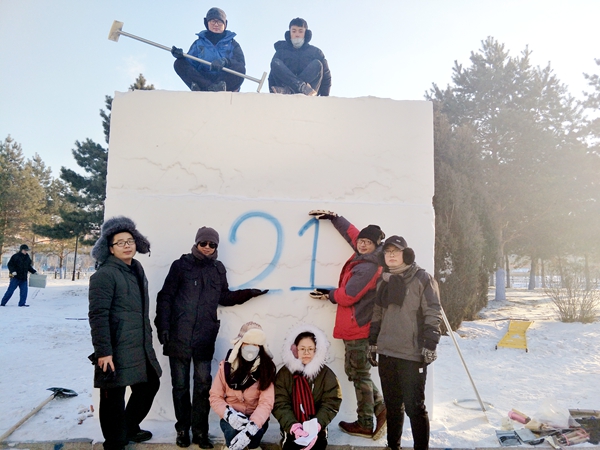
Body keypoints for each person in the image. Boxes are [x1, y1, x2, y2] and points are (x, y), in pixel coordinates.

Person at [155, 227, 268, 449]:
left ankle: (200, 432)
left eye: (212, 244)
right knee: (180, 387)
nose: (207, 247)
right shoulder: (180, 266)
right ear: (196, 243)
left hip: (204, 338)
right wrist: (163, 327)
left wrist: (248, 293)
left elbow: (223, 297)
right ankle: (182, 429)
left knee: (203, 386)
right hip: (178, 336)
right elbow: (165, 297)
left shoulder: (218, 269)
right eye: (203, 243)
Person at [308, 210, 386, 439]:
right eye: (361, 241)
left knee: (359, 374)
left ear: (376, 245)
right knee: (356, 372)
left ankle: (365, 423)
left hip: (358, 328)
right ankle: (382, 409)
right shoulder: (366, 254)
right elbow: (352, 234)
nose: (362, 244)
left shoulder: (369, 267)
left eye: (367, 242)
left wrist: (329, 294)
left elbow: (348, 296)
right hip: (355, 326)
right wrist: (335, 218)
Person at [88, 216, 162, 450]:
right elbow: (98, 315)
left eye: (130, 241)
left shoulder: (136, 269)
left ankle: (128, 427)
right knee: (113, 395)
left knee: (149, 384)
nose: (126, 246)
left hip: (138, 343)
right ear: (110, 248)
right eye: (120, 243)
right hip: (115, 347)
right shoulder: (104, 275)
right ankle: (115, 442)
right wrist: (103, 352)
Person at [368, 235, 442, 450]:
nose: (391, 255)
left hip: (412, 354)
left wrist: (431, 343)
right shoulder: (383, 280)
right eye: (387, 252)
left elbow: (433, 311)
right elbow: (378, 312)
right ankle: (393, 446)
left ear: (406, 254)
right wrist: (373, 341)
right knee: (392, 406)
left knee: (414, 408)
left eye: (396, 251)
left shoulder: (422, 278)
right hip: (387, 352)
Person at [273, 324, 342, 450]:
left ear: (316, 351)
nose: (306, 353)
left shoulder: (325, 374)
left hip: (317, 427)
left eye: (310, 349)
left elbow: (331, 402)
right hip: (291, 426)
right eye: (302, 348)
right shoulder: (284, 374)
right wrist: (293, 426)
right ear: (295, 350)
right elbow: (279, 402)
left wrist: (317, 424)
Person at [209, 322, 276, 450]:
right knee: (232, 431)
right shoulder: (226, 367)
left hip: (255, 417)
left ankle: (253, 446)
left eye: (255, 344)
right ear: (240, 344)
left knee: (256, 433)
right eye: (247, 343)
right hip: (232, 416)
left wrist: (253, 426)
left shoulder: (265, 369)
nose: (251, 348)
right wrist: (229, 415)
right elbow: (215, 396)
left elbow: (266, 402)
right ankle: (230, 445)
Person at [171, 7, 246, 92]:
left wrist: (225, 61)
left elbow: (240, 62)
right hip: (204, 79)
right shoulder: (199, 43)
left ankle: (219, 88)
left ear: (225, 24)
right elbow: (190, 62)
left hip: (224, 79)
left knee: (240, 69)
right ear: (207, 23)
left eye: (220, 21)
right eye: (213, 21)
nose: (216, 24)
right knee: (179, 63)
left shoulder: (232, 43)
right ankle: (207, 87)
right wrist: (181, 57)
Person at [268, 18, 332, 96]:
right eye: (294, 31)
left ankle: (291, 90)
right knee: (275, 62)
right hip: (284, 92)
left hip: (310, 93)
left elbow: (326, 77)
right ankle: (301, 88)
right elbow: (272, 76)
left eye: (300, 31)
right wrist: (272, 94)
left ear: (306, 33)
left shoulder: (316, 52)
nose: (297, 34)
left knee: (317, 64)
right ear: (289, 33)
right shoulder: (281, 52)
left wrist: (324, 98)